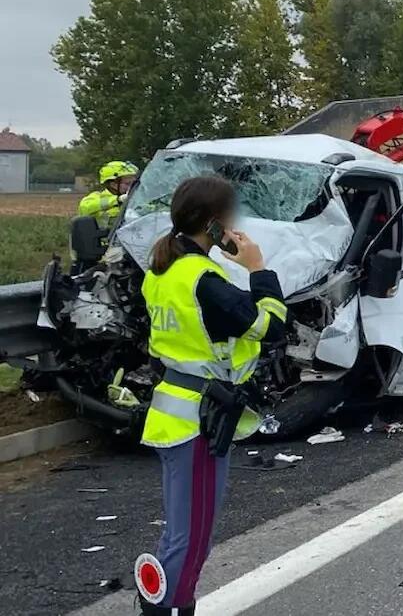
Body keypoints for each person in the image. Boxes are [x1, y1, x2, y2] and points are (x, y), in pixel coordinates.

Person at [134, 176, 287, 616]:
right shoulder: (204, 278)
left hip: (173, 411)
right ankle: (170, 608)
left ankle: (159, 600)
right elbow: (269, 326)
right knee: (192, 535)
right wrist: (258, 268)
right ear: (215, 223)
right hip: (200, 421)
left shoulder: (163, 270)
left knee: (179, 532)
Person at [78, 160, 139, 229]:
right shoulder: (97, 197)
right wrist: (118, 200)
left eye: (133, 183)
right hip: (106, 239)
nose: (132, 187)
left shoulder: (135, 198)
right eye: (127, 183)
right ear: (113, 184)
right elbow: (85, 207)